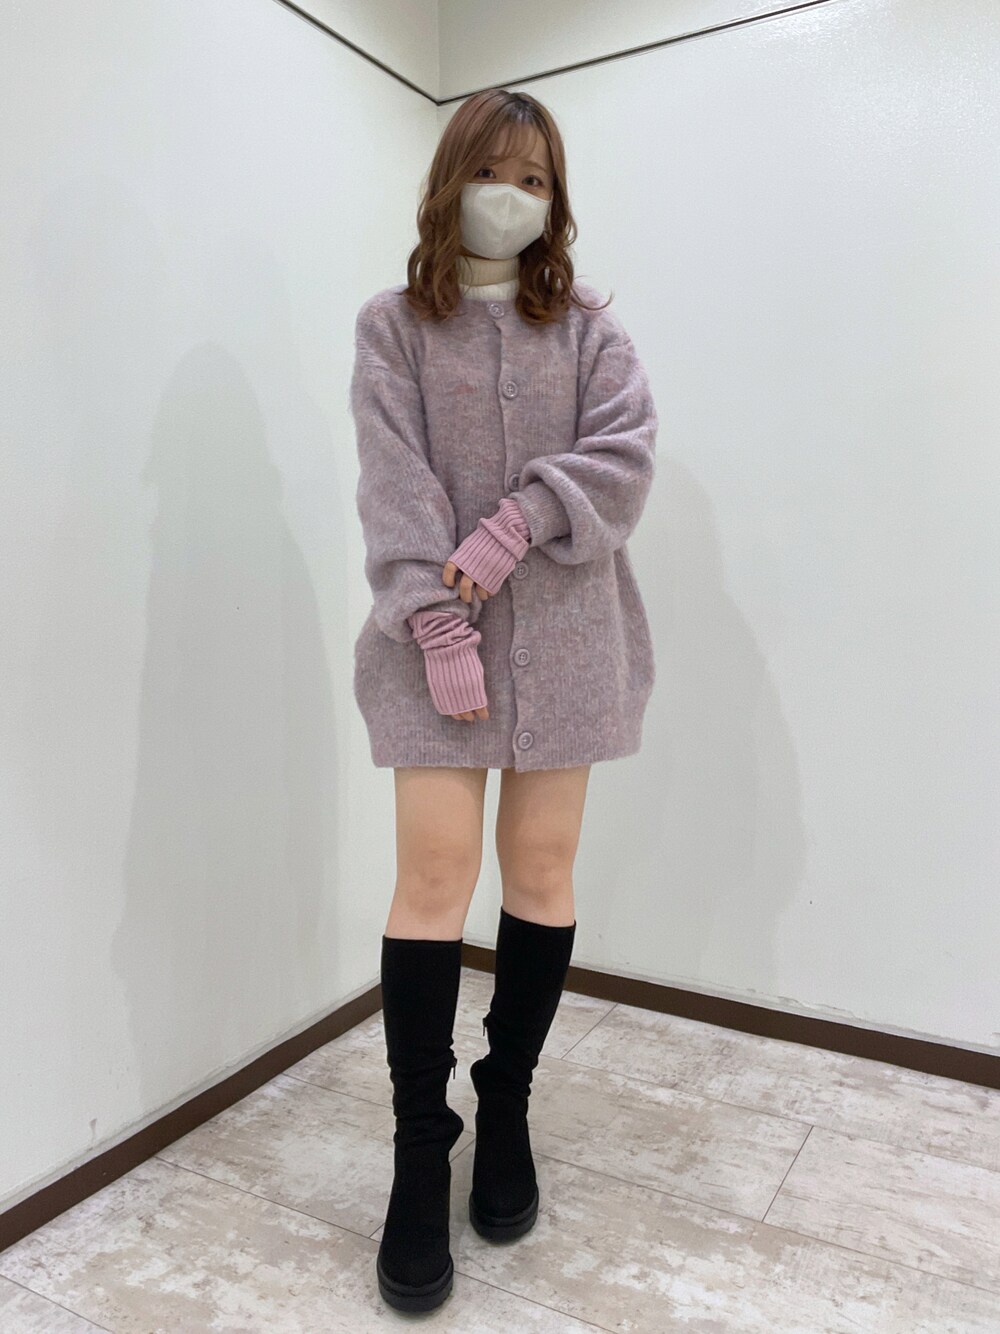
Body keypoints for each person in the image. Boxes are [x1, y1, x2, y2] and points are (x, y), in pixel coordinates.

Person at [349, 87, 659, 1313]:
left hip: (570, 639)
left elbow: (625, 457)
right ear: (451, 179)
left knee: (539, 870)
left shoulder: (588, 330)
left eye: (536, 180)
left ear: (554, 202)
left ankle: (507, 1103)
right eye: (496, 172)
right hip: (426, 635)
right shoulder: (392, 326)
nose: (513, 197)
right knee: (433, 876)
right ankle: (420, 1145)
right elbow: (390, 476)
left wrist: (519, 518)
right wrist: (435, 614)